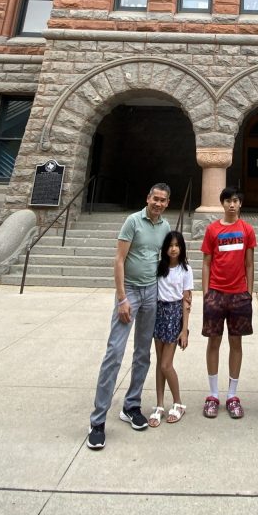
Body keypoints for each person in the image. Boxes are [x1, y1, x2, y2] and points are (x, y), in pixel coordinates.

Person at [87, 183, 171, 449]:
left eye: (163, 200)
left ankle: (132, 405)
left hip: (151, 292)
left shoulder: (166, 228)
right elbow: (119, 259)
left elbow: (163, 261)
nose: (158, 203)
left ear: (167, 203)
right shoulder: (132, 221)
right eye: (155, 198)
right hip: (131, 292)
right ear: (147, 198)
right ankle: (98, 421)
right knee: (114, 352)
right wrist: (122, 297)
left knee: (143, 353)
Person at [201, 186, 256, 419]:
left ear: (240, 204)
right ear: (222, 204)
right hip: (216, 293)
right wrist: (206, 293)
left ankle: (232, 395)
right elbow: (206, 262)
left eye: (236, 201)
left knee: (236, 344)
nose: (232, 204)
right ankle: (213, 394)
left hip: (238, 294)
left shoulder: (247, 230)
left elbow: (250, 264)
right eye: (228, 201)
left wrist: (249, 292)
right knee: (213, 343)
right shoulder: (212, 230)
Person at [148, 230, 193, 427]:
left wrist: (185, 330)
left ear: (182, 248)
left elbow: (187, 300)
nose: (173, 249)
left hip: (175, 315)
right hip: (159, 313)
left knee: (167, 364)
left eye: (177, 245)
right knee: (159, 364)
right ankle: (159, 405)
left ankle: (178, 402)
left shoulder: (186, 270)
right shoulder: (159, 268)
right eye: (170, 245)